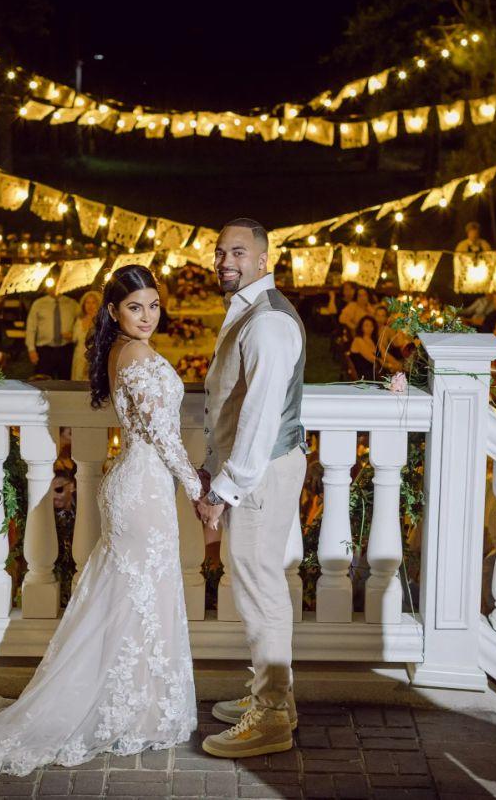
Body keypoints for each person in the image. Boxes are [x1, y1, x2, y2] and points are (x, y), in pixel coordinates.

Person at [0, 265, 201, 777]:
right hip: (143, 487)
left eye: (153, 306)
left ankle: (133, 703)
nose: (147, 316)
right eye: (135, 307)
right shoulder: (135, 355)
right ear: (114, 312)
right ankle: (127, 708)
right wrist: (198, 487)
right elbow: (162, 434)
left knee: (129, 597)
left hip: (138, 483)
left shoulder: (121, 350)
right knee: (139, 596)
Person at [195, 218, 306, 759]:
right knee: (259, 584)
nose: (225, 261)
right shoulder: (251, 310)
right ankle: (276, 697)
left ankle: (270, 717)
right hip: (260, 468)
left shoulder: (268, 323)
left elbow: (259, 419)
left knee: (260, 590)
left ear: (264, 260)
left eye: (237, 252)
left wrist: (222, 489)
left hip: (261, 471)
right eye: (220, 252)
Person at [25, 282, 80, 380]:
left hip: (66, 349)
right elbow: (31, 327)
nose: (55, 288)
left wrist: (74, 334)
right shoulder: (38, 304)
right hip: (45, 350)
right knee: (43, 381)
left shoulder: (72, 304)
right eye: (52, 285)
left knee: (65, 381)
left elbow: (81, 322)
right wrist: (31, 349)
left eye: (58, 285)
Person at [70, 290, 102, 382]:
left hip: (94, 357)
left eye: (93, 302)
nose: (90, 306)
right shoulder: (79, 320)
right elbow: (75, 339)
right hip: (79, 356)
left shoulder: (101, 321)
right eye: (87, 303)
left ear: (98, 304)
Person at [349, 316, 381, 380]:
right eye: (366, 325)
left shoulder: (373, 339)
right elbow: (371, 358)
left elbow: (382, 354)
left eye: (371, 326)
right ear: (361, 327)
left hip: (374, 371)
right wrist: (388, 365)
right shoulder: (358, 340)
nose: (369, 328)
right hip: (364, 374)